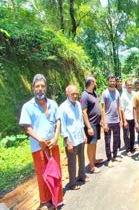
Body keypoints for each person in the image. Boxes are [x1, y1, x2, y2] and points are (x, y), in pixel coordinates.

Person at [19, 74, 63, 209]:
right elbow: (27, 127)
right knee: (42, 174)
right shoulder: (27, 107)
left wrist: (56, 137)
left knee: (56, 172)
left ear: (46, 88)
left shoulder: (53, 104)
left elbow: (58, 120)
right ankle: (45, 201)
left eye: (42, 86)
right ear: (33, 88)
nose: (40, 89)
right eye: (37, 86)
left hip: (53, 145)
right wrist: (40, 140)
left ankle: (57, 199)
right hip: (38, 147)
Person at [59, 85, 89, 190]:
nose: (75, 95)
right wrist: (67, 142)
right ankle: (72, 183)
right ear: (67, 94)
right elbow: (62, 126)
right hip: (71, 140)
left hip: (79, 137)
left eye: (76, 93)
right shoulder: (62, 108)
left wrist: (84, 134)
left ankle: (82, 175)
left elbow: (80, 121)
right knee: (72, 162)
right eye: (73, 94)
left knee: (81, 158)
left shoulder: (78, 104)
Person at [80, 76, 103, 173]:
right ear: (91, 83)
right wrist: (88, 127)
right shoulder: (84, 95)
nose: (96, 84)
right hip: (91, 124)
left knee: (95, 143)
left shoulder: (94, 93)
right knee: (90, 144)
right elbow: (84, 112)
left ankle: (94, 160)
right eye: (95, 83)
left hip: (97, 123)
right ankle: (92, 166)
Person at [101, 75, 123, 167]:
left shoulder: (117, 92)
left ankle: (114, 156)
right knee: (108, 141)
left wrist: (120, 119)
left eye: (114, 81)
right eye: (111, 81)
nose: (112, 83)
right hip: (108, 121)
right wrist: (104, 123)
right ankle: (109, 159)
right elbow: (103, 109)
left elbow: (118, 107)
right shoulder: (105, 93)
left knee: (116, 140)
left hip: (116, 120)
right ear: (108, 81)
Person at [121, 78, 136, 157]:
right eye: (128, 85)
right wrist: (124, 121)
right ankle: (127, 149)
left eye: (130, 85)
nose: (129, 86)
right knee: (126, 135)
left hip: (133, 118)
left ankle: (132, 147)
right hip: (126, 118)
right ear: (126, 86)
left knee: (133, 133)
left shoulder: (134, 94)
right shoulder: (123, 96)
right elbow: (122, 109)